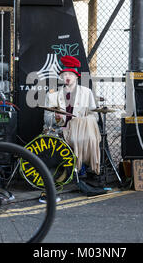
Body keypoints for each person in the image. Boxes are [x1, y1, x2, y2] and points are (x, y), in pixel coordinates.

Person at [42, 55, 101, 202]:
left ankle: (82, 169)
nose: (67, 77)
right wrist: (56, 118)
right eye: (64, 74)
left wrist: (80, 123)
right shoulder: (52, 96)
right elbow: (46, 120)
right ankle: (61, 175)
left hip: (80, 131)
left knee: (82, 136)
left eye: (70, 74)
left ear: (76, 76)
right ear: (61, 77)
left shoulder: (86, 93)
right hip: (60, 131)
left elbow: (96, 116)